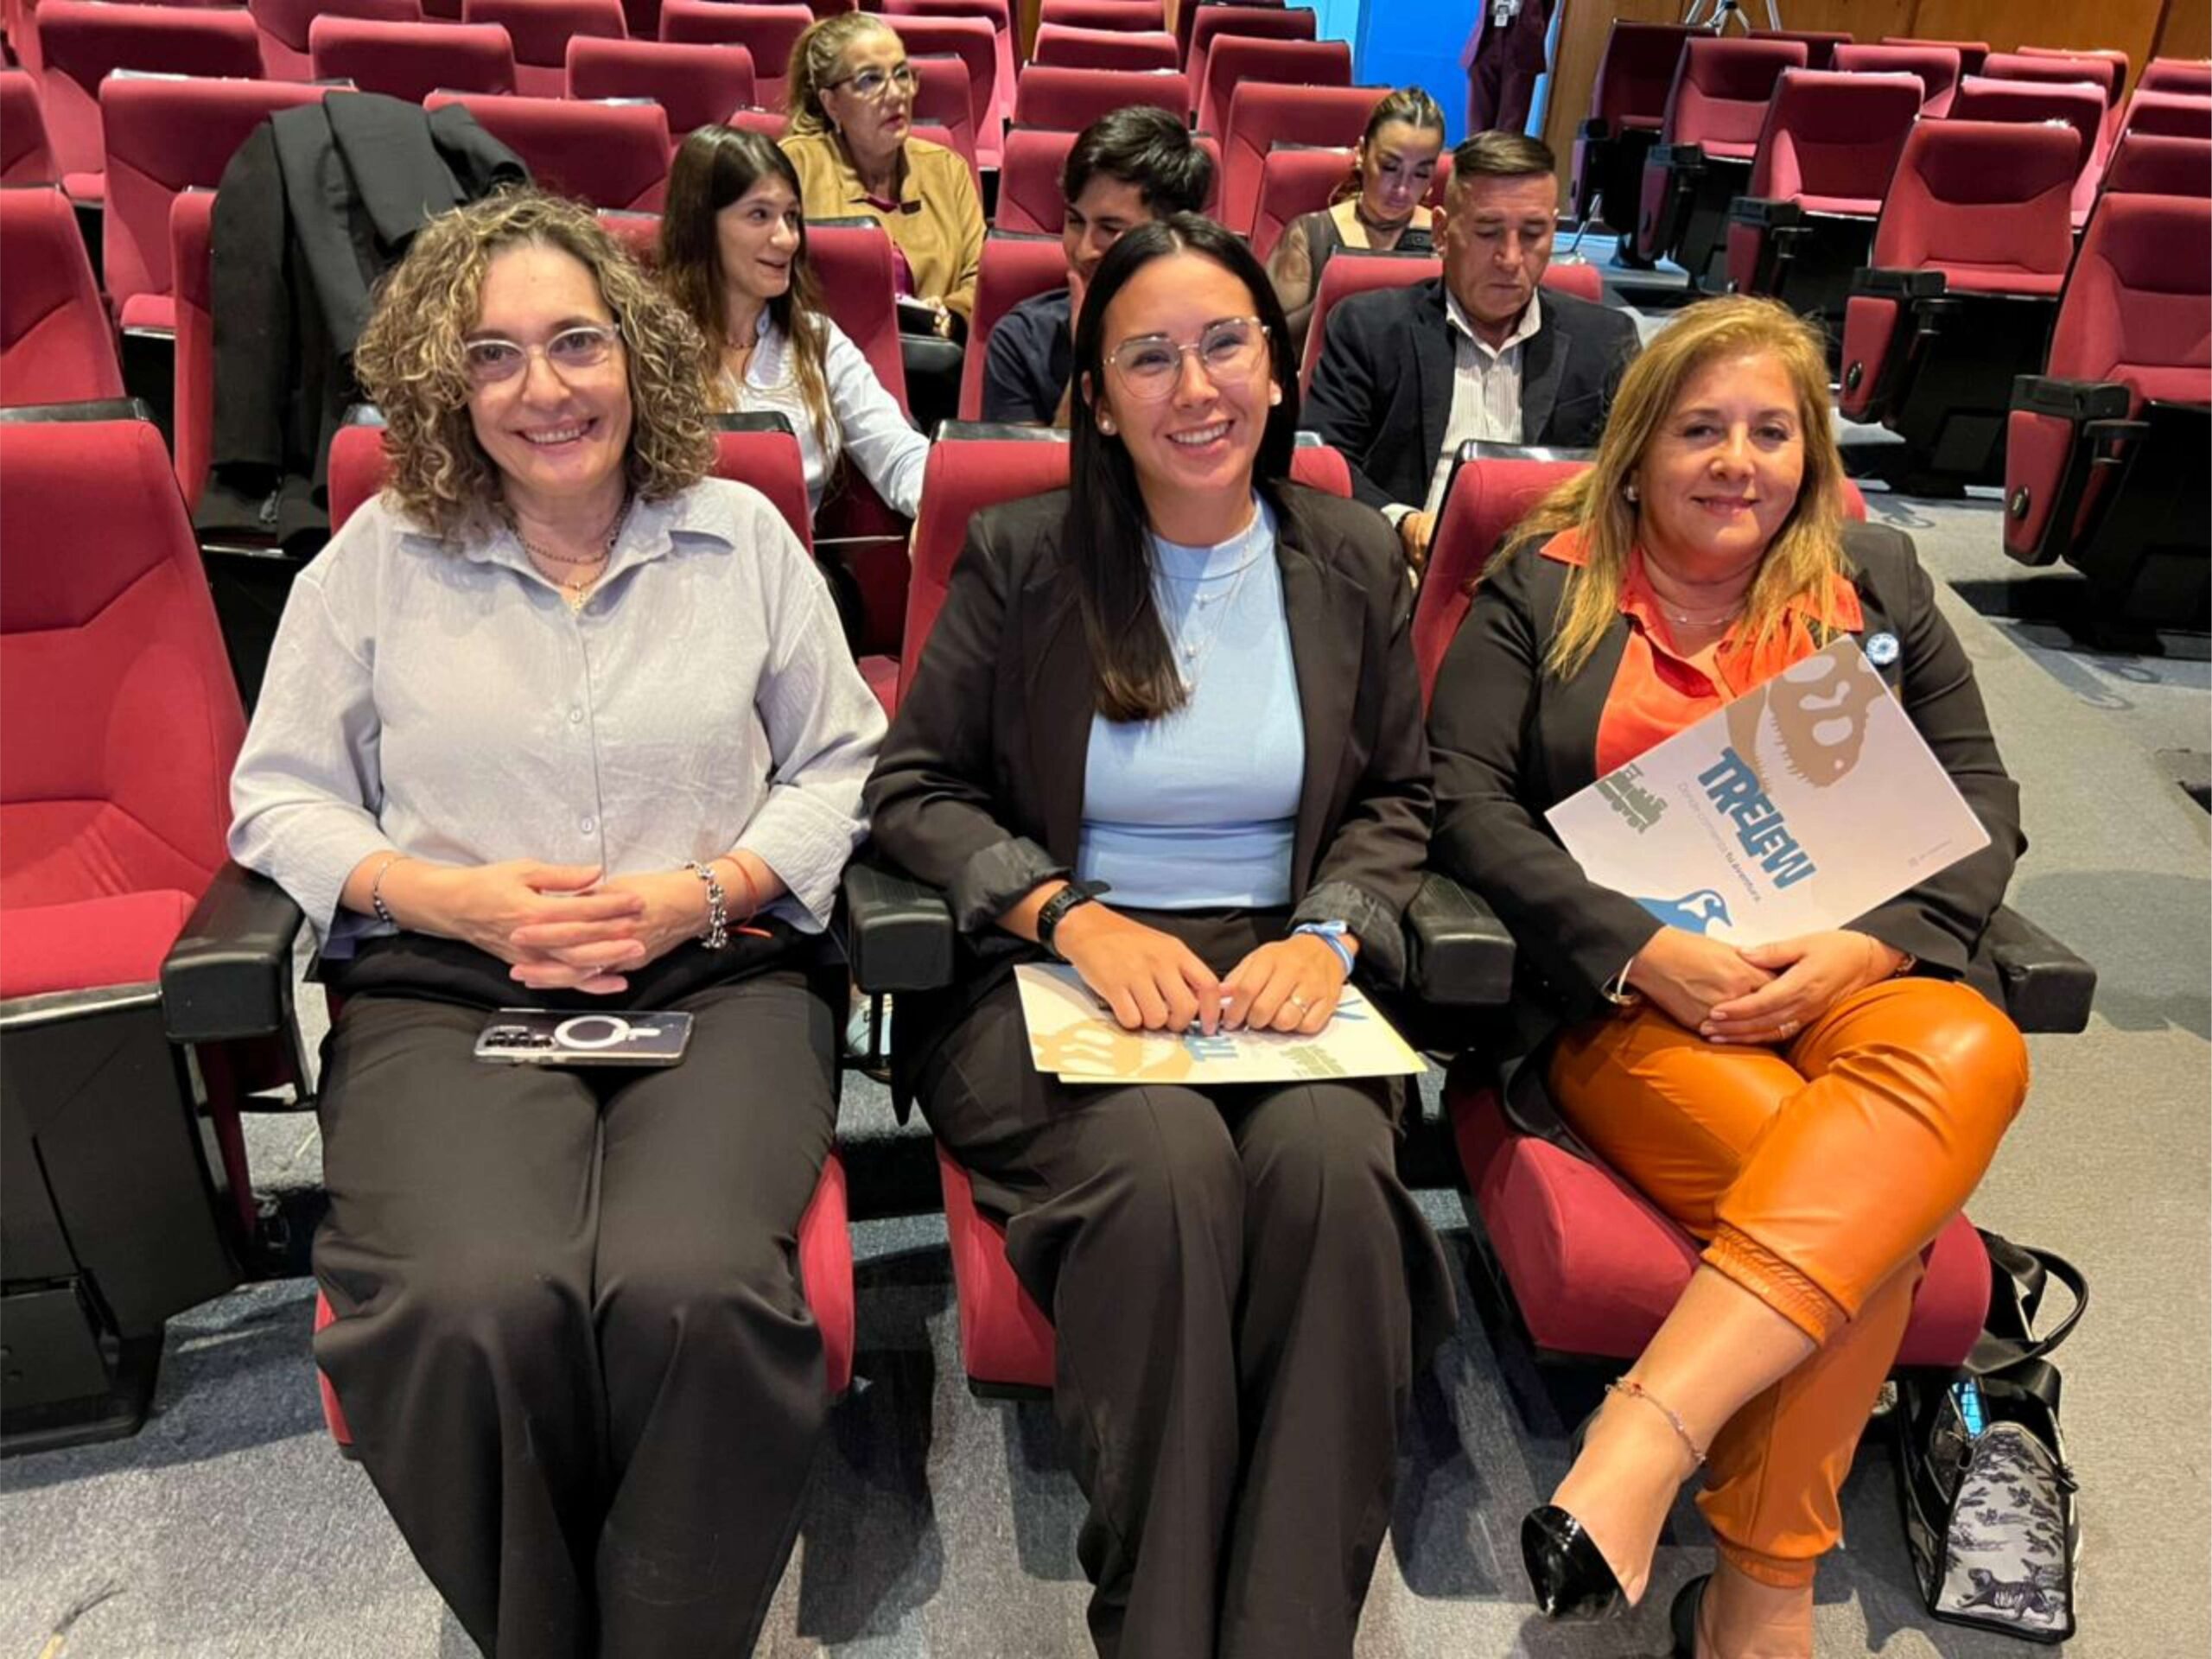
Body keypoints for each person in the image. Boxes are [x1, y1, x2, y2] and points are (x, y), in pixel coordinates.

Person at [229, 191, 886, 1658]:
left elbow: (847, 763)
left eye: (576, 342)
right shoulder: (378, 559)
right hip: (454, 984)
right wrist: (437, 894)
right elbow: (278, 798)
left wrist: (709, 888)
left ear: (635, 353)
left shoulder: (743, 538)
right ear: (447, 386)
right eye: (495, 355)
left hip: (718, 974)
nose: (544, 389)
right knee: (470, 1300)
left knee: (692, 1288)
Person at [864, 213, 1455, 1658]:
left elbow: (1399, 795)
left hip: (1281, 967)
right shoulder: (1025, 554)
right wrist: (1069, 914)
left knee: (1331, 1179)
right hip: (1049, 971)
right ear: (1098, 397)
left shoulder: (1348, 556)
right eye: (1149, 358)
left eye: (1225, 345)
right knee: (1166, 1170)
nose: (1196, 388)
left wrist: (1332, 932)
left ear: (1276, 365)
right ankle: (1161, 1627)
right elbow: (914, 791)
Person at [1426, 296, 2030, 1659]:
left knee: (1976, 1048)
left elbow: (1982, 802)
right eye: (1702, 430)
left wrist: (1869, 948)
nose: (1737, 463)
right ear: (1639, 449)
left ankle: (1647, 1433)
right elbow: (1463, 803)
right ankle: (1761, 1598)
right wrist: (1640, 948)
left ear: (1813, 454)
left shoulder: (1875, 584)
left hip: (1846, 973)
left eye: (1771, 432)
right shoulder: (1546, 586)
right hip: (1634, 1000)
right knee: (1859, 1211)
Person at [1305, 130, 1641, 573]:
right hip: (1405, 569)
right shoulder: (1370, 328)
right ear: (1442, 232)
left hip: (1550, 574)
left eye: (1533, 234)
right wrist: (1402, 523)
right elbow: (1322, 462)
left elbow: (1635, 471)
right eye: (1488, 232)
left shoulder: (1605, 339)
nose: (1511, 258)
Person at [661, 123, 928, 519]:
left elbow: (897, 452)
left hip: (790, 553)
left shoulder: (818, 341)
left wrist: (937, 504)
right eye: (759, 215)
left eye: (791, 216)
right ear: (701, 225)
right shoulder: (649, 344)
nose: (788, 239)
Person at [981, 104, 1215, 426]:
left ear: (1173, 232)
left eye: (1110, 229)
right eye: (1075, 222)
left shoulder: (1221, 337)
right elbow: (1037, 461)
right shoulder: (1021, 340)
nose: (1083, 250)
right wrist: (1088, 359)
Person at [779, 11, 986, 332]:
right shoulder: (797, 166)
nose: (896, 94)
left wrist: (950, 313)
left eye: (902, 75)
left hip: (932, 353)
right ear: (831, 103)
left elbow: (980, 276)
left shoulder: (946, 170)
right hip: (823, 351)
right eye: (870, 80)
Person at [1265, 85, 1446, 361]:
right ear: (1362, 152)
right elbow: (1270, 345)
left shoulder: (1447, 241)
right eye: (1389, 168)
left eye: (1420, 174)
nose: (1402, 189)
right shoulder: (1310, 235)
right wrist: (1337, 291)